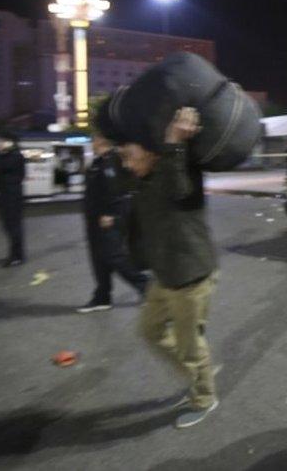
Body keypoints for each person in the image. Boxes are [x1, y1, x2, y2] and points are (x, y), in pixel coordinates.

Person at [120, 107, 220, 429]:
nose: (127, 163)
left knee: (191, 345)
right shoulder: (143, 178)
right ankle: (196, 374)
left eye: (131, 156)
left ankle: (205, 397)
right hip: (164, 274)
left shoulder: (177, 169)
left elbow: (181, 191)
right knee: (149, 331)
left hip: (190, 276)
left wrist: (175, 142)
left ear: (151, 153)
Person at [77, 131, 148, 313]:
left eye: (93, 139)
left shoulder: (113, 160)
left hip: (108, 219)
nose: (92, 142)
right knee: (99, 259)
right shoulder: (97, 162)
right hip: (94, 219)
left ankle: (145, 285)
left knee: (114, 256)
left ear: (101, 140)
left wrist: (111, 214)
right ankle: (102, 297)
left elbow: (118, 191)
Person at [0, 131, 26, 267]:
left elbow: (3, 165)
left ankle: (17, 256)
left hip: (12, 195)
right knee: (7, 226)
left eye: (2, 141)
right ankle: (15, 255)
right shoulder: (8, 155)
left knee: (13, 227)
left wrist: (0, 153)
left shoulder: (15, 156)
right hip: (5, 194)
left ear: (11, 143)